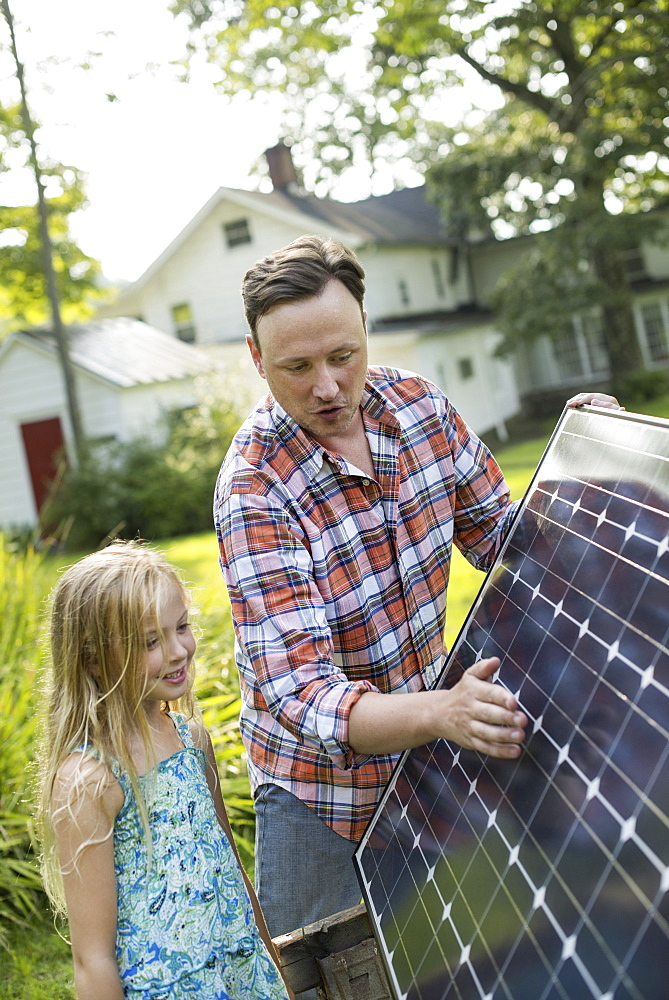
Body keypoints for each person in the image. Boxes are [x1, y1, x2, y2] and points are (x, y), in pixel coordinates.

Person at [213, 233, 621, 940]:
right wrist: (440, 713)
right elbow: (304, 693)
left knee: (434, 959)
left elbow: (506, 537)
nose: (327, 386)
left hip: (422, 763)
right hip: (319, 797)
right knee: (326, 976)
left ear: (367, 329)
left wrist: (578, 460)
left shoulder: (419, 409)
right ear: (256, 359)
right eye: (296, 366)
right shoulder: (254, 488)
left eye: (343, 356)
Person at [36, 540, 292, 1000]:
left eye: (182, 627)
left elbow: (231, 866)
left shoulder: (190, 738)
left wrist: (271, 965)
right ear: (93, 659)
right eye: (151, 641)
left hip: (241, 976)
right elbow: (91, 959)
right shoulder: (89, 781)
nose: (179, 651)